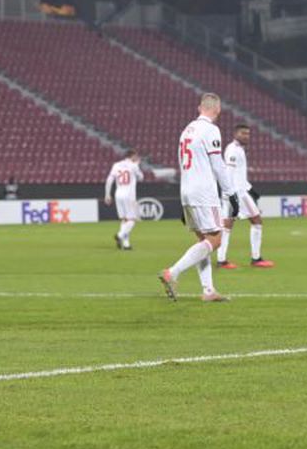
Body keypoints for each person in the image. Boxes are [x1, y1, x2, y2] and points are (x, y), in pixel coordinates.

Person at [158, 93, 237, 303]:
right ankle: (172, 272)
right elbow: (218, 165)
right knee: (216, 239)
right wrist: (230, 192)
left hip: (187, 190)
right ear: (217, 109)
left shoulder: (187, 130)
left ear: (199, 107)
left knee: (203, 241)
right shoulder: (211, 130)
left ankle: (208, 290)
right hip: (204, 192)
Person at [214, 123, 274, 269]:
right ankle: (223, 260)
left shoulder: (239, 150)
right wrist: (229, 194)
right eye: (243, 133)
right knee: (229, 224)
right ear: (235, 134)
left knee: (255, 221)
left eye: (247, 133)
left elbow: (239, 175)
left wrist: (251, 190)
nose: (246, 136)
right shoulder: (233, 150)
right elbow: (228, 173)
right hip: (234, 194)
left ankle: (255, 258)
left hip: (242, 192)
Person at [105, 150, 144, 250]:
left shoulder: (116, 165)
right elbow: (141, 178)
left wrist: (107, 194)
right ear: (133, 156)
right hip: (129, 195)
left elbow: (109, 180)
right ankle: (120, 235)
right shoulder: (133, 165)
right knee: (132, 220)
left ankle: (126, 244)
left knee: (124, 219)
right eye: (136, 156)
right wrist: (137, 165)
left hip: (118, 194)